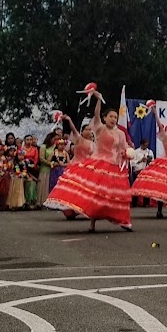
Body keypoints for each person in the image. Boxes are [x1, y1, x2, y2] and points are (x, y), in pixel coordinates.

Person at [45, 92, 133, 230]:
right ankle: (92, 222)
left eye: (115, 117)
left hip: (114, 167)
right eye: (111, 116)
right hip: (99, 163)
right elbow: (96, 115)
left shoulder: (120, 134)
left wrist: (127, 153)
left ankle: (123, 221)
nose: (113, 119)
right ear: (104, 118)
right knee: (94, 194)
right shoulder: (100, 129)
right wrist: (98, 99)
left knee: (114, 195)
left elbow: (123, 147)